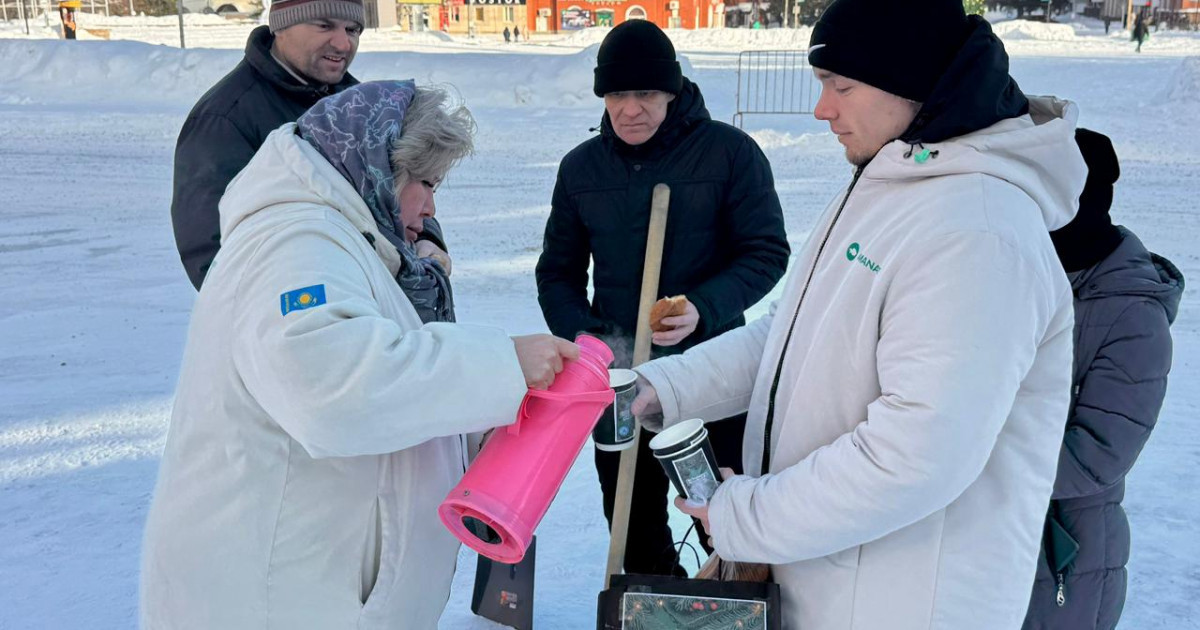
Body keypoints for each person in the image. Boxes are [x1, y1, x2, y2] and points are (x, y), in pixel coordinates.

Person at [631, 0, 1088, 627]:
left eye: (840, 85)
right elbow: (793, 334)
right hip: (834, 581)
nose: (822, 109)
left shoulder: (977, 230)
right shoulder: (899, 181)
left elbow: (916, 453)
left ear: (914, 83)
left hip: (901, 602)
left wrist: (749, 517)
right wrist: (660, 387)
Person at [141, 81, 580, 629]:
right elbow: (330, 390)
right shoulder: (296, 243)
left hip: (320, 592)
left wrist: (474, 429)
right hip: (278, 600)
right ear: (379, 166)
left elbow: (383, 380)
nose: (430, 204)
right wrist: (502, 365)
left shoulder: (347, 239)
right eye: (425, 181)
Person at [535, 19, 790, 577]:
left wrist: (702, 306)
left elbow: (767, 252)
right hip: (621, 382)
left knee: (727, 517)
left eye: (646, 93)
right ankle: (653, 606)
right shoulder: (581, 169)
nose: (631, 109)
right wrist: (593, 342)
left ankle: (730, 606)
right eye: (618, 94)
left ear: (672, 92)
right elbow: (556, 273)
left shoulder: (729, 154)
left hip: (714, 373)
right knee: (631, 521)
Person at [169, 0, 451, 290]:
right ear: (282, 25)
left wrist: (427, 238)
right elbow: (214, 253)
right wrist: (310, 304)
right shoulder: (226, 117)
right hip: (302, 315)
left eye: (352, 29)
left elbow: (401, 188)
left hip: (369, 301)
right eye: (324, 25)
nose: (343, 44)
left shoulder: (359, 106)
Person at [1022, 129, 1183, 630]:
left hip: (1067, 561)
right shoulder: (1026, 273)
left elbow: (1094, 459)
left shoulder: (1134, 314)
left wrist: (965, 464)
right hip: (996, 538)